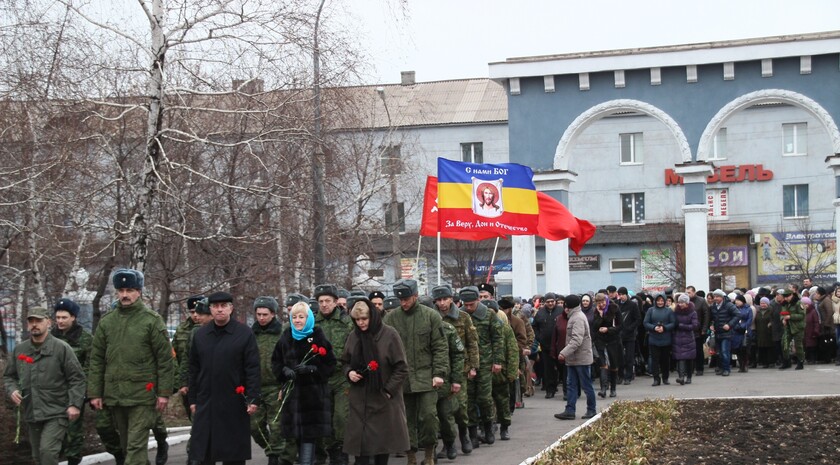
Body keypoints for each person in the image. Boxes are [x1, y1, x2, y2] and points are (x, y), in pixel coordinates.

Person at [88, 269, 175, 465]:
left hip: (143, 396)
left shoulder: (151, 321)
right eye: (121, 290)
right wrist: (95, 393)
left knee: (135, 450)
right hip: (116, 395)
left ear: (139, 291)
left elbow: (164, 360)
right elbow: (97, 360)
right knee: (128, 448)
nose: (125, 295)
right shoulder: (107, 322)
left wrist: (163, 393)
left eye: (130, 290)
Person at [4, 306, 86, 465]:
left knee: (47, 453)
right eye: (31, 321)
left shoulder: (61, 348)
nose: (34, 324)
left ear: (48, 322)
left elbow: (77, 378)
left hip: (56, 411)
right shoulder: (20, 349)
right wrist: (12, 389)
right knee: (38, 457)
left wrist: (74, 404)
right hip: (32, 411)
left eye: (38, 321)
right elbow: (9, 376)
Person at [188, 291, 261, 465]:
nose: (219, 310)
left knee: (233, 455)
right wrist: (192, 399)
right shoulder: (200, 335)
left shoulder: (244, 334)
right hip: (207, 402)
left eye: (223, 306)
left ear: (231, 308)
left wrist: (253, 398)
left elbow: (252, 368)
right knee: (205, 453)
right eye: (215, 306)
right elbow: (193, 369)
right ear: (211, 309)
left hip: (234, 402)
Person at [383, 279, 449, 465]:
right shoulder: (391, 318)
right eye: (400, 299)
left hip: (426, 377)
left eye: (407, 299)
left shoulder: (430, 316)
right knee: (405, 422)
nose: (403, 303)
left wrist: (439, 373)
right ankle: (411, 457)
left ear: (416, 296)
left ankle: (429, 455)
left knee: (428, 417)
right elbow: (383, 349)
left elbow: (440, 347)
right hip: (401, 380)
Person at [342, 299, 410, 465]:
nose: (361, 323)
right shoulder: (354, 336)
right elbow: (345, 361)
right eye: (357, 320)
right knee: (361, 451)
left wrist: (388, 391)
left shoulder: (389, 334)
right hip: (359, 401)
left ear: (372, 316)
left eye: (364, 319)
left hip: (382, 400)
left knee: (381, 449)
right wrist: (349, 372)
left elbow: (401, 368)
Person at [272, 302, 337, 465]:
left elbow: (330, 363)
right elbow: (276, 361)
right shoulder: (286, 336)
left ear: (308, 318)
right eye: (294, 317)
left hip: (313, 396)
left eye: (301, 317)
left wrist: (313, 369)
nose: (297, 320)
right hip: (293, 396)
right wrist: (284, 371)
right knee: (297, 436)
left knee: (309, 436)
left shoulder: (318, 336)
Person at [432, 284, 478, 456]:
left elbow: (472, 343)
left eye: (445, 299)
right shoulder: (432, 317)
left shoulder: (463, 317)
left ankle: (464, 435)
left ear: (452, 299)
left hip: (460, 368)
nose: (442, 303)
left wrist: (473, 366)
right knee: (444, 411)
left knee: (461, 407)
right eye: (439, 300)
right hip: (440, 369)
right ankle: (448, 444)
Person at [312, 284, 354, 465]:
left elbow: (355, 348)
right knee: (324, 417)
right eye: (320, 301)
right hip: (320, 378)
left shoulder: (347, 323)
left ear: (336, 302)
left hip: (341, 377)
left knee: (341, 417)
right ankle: (330, 451)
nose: (324, 305)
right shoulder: (312, 323)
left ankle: (341, 450)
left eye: (327, 301)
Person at [458, 286, 502, 450]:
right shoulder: (460, 315)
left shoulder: (489, 314)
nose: (468, 308)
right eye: (466, 305)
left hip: (485, 362)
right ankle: (473, 434)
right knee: (468, 400)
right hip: (465, 363)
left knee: (484, 398)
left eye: (471, 304)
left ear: (478, 300)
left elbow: (498, 338)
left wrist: (497, 360)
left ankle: (488, 426)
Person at [50, 298, 92, 465]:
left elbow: (90, 367)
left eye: (64, 317)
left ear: (73, 317)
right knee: (52, 434)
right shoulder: (50, 337)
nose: (60, 321)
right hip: (52, 392)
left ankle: (73, 460)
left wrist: (86, 393)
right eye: (58, 317)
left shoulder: (85, 339)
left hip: (74, 392)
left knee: (73, 433)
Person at [250, 296, 286, 465]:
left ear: (273, 314)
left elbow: (288, 359)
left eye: (265, 314)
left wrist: (284, 384)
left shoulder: (282, 333)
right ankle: (272, 449)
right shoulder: (251, 334)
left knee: (276, 426)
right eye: (259, 314)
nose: (261, 318)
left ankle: (274, 456)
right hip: (255, 387)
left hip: (275, 386)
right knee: (254, 426)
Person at [553, 295, 597, 420]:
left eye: (566, 305)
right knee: (571, 384)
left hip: (581, 358)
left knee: (586, 385)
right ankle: (570, 410)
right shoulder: (575, 316)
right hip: (574, 358)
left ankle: (591, 409)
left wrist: (563, 353)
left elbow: (577, 340)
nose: (564, 308)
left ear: (569, 306)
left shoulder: (577, 318)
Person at [531, 292, 563, 398]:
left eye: (552, 301)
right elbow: (534, 326)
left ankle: (567, 391)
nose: (550, 304)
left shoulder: (561, 311)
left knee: (562, 369)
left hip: (559, 346)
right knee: (548, 370)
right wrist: (539, 337)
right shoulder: (540, 313)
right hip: (545, 346)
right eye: (548, 302)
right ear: (544, 303)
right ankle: (550, 390)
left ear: (555, 302)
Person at [592, 293, 621, 398]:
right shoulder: (596, 311)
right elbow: (594, 326)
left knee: (613, 364)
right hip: (600, 340)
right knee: (603, 364)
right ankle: (603, 389)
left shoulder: (614, 309)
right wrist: (600, 316)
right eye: (599, 303)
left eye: (603, 302)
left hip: (613, 340)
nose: (601, 304)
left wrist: (608, 329)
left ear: (606, 300)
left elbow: (619, 326)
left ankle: (613, 389)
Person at [644, 294, 676, 386]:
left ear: (665, 301)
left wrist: (664, 328)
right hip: (654, 338)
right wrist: (654, 327)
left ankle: (665, 378)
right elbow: (646, 322)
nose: (660, 302)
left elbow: (673, 323)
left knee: (665, 360)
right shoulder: (651, 310)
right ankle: (656, 379)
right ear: (655, 301)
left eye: (662, 300)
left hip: (666, 338)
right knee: (655, 360)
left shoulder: (669, 311)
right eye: (658, 300)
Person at [709, 289, 739, 376]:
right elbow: (712, 318)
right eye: (714, 296)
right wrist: (711, 325)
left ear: (722, 297)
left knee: (725, 351)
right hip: (717, 332)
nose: (715, 298)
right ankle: (721, 368)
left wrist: (729, 325)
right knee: (719, 353)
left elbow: (737, 315)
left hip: (727, 332)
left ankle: (726, 369)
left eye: (717, 296)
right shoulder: (713, 306)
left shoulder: (728, 305)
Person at [616, 287, 641, 385]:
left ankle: (628, 376)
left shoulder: (632, 305)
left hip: (630, 335)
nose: (621, 296)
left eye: (622, 294)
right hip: (619, 335)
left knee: (629, 357)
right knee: (619, 357)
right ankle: (620, 375)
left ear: (626, 295)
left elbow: (638, 319)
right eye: (620, 294)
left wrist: (630, 328)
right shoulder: (616, 304)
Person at [672, 294, 699, 384]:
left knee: (689, 359)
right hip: (677, 338)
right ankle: (681, 377)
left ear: (687, 303)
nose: (680, 304)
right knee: (680, 358)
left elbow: (694, 325)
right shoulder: (676, 312)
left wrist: (681, 326)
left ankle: (689, 377)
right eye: (679, 302)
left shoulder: (693, 312)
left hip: (688, 338)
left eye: (682, 302)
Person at [686, 286, 710, 376]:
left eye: (689, 292)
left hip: (698, 330)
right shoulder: (686, 301)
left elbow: (706, 316)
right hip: (688, 330)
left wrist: (704, 329)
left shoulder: (701, 301)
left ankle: (699, 368)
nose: (688, 294)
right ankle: (690, 369)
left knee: (698, 350)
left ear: (694, 292)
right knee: (689, 351)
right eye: (687, 292)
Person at [779, 289, 805, 370]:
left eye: (787, 297)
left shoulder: (798, 303)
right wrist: (782, 319)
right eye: (784, 297)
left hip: (797, 327)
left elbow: (802, 315)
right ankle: (787, 361)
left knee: (798, 346)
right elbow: (782, 314)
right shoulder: (784, 304)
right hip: (788, 327)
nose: (786, 299)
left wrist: (791, 316)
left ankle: (800, 361)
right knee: (784, 344)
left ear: (791, 295)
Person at [731, 295, 754, 373]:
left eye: (738, 300)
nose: (737, 302)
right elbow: (732, 319)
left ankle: (745, 365)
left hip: (745, 332)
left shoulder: (748, 309)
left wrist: (743, 326)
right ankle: (741, 365)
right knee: (738, 350)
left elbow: (749, 320)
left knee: (745, 349)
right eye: (736, 300)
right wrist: (736, 326)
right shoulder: (734, 309)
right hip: (736, 332)